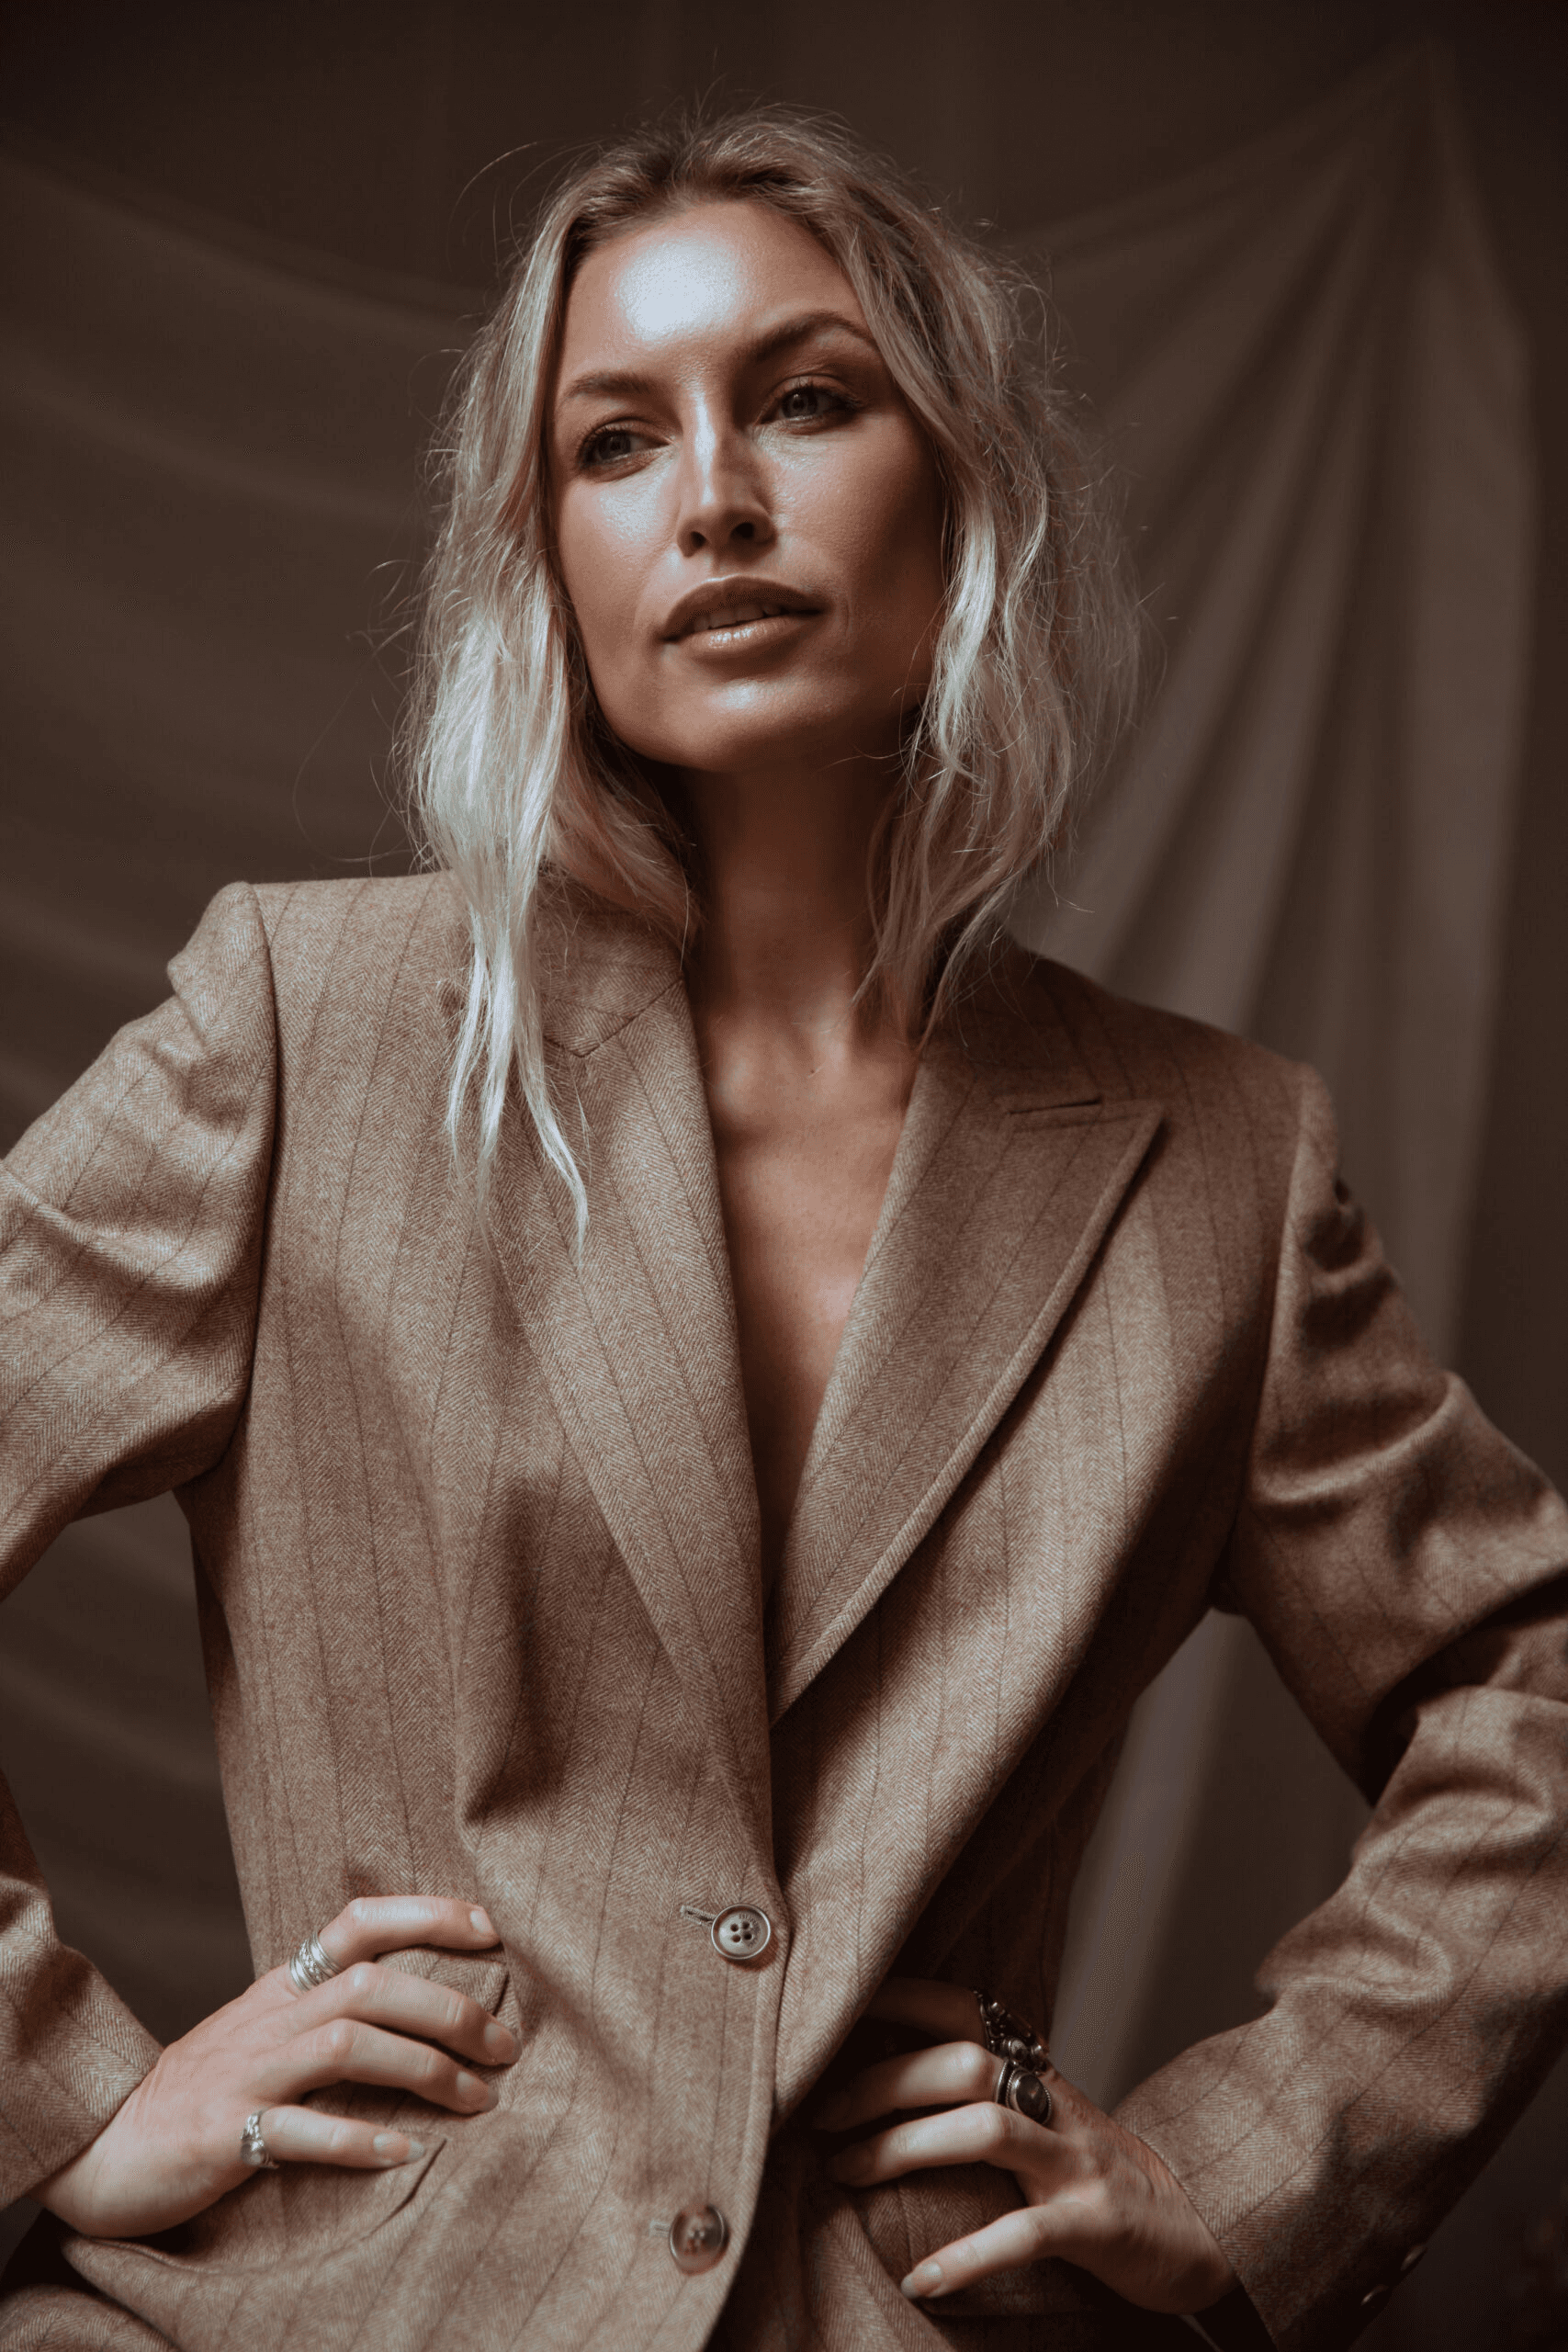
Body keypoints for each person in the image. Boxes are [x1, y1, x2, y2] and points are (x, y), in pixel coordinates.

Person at [1, 106, 1563, 2352]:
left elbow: (1529, 1688)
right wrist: (67, 2096)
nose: (713, 495)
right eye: (614, 440)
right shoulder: (301, 1025)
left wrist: (1236, 2169)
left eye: (805, 399)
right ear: (546, 549)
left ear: (962, 490)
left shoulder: (1216, 1163)